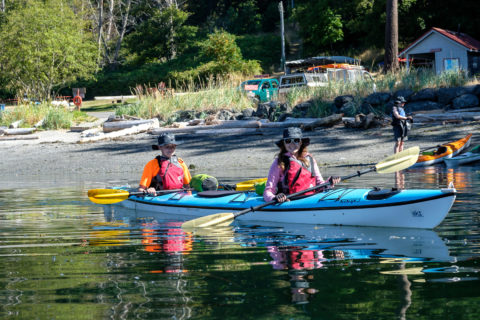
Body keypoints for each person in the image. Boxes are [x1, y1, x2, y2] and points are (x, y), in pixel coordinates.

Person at [263, 127, 340, 203]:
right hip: (289, 202)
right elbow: (268, 191)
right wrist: (274, 198)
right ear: (284, 143)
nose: (292, 144)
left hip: (311, 200)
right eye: (288, 141)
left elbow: (320, 185)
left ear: (300, 142)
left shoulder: (310, 159)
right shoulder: (278, 162)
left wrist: (330, 181)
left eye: (296, 140)